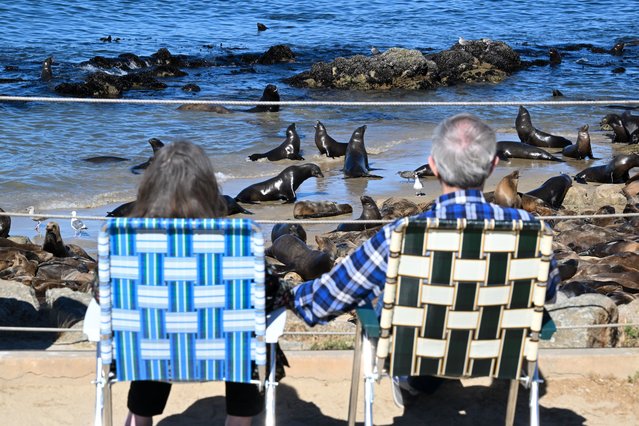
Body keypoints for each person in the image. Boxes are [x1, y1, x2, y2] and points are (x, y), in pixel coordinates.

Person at [271, 113, 560, 400]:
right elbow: (546, 293)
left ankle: (418, 378)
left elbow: (324, 301)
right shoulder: (534, 231)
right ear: (494, 165)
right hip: (498, 353)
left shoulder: (400, 235)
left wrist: (285, 294)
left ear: (432, 165)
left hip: (418, 355)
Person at [124, 141, 263, 426]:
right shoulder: (235, 243)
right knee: (243, 338)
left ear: (149, 188)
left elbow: (104, 295)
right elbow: (268, 291)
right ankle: (239, 420)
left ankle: (139, 418)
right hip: (224, 352)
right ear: (208, 189)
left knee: (150, 333)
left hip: (151, 350)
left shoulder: (129, 245)